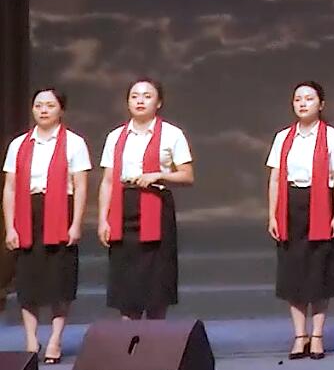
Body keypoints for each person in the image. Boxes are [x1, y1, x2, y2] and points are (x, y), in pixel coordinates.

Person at [3, 88, 91, 364]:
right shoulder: (19, 144)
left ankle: (55, 339)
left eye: (50, 105)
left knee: (60, 282)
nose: (43, 110)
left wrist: (76, 224)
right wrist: (10, 227)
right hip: (27, 213)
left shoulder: (74, 143)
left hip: (60, 211)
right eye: (38, 105)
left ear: (61, 110)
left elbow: (80, 186)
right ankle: (31, 339)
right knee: (28, 282)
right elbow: (9, 188)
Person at [268, 81, 334, 361]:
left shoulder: (332, 137)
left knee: (319, 272)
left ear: (321, 104)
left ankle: (317, 336)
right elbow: (275, 179)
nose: (303, 103)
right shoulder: (283, 138)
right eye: (298, 99)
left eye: (309, 98)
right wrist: (272, 214)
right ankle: (299, 336)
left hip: (321, 205)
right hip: (290, 206)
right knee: (292, 273)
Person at [97, 78, 194, 320]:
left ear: (158, 102)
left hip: (156, 205)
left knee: (157, 281)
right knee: (126, 283)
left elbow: (187, 175)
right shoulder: (115, 136)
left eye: (147, 96)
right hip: (123, 207)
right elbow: (108, 181)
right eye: (135, 96)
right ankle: (129, 338)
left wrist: (159, 175)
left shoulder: (172, 134)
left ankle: (154, 337)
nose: (140, 101)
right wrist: (103, 219)